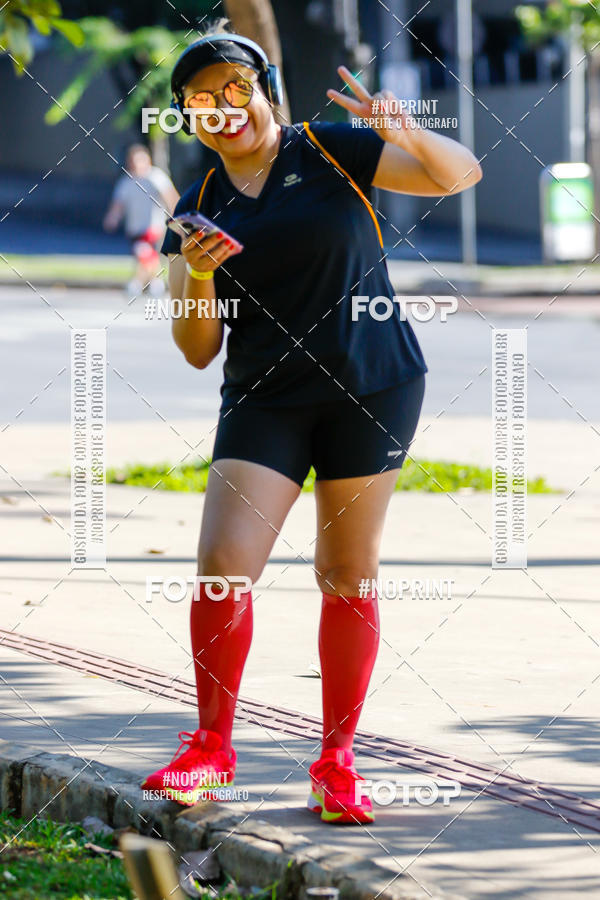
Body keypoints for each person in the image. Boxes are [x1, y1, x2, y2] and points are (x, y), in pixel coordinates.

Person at [141, 20, 482, 824]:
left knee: (346, 570)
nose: (225, 108)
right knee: (224, 561)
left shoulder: (329, 148)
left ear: (263, 92)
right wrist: (194, 275)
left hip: (373, 384)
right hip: (265, 396)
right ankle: (212, 749)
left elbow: (459, 175)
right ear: (190, 119)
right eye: (201, 101)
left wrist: (408, 137)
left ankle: (336, 761)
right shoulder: (195, 208)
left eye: (236, 89)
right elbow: (197, 348)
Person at [103, 143, 179, 296]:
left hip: (154, 226)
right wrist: (112, 218)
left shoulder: (156, 177)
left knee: (144, 252)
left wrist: (177, 216)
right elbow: (118, 204)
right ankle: (155, 281)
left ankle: (137, 284)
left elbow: (171, 197)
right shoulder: (126, 182)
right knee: (146, 256)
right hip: (134, 227)